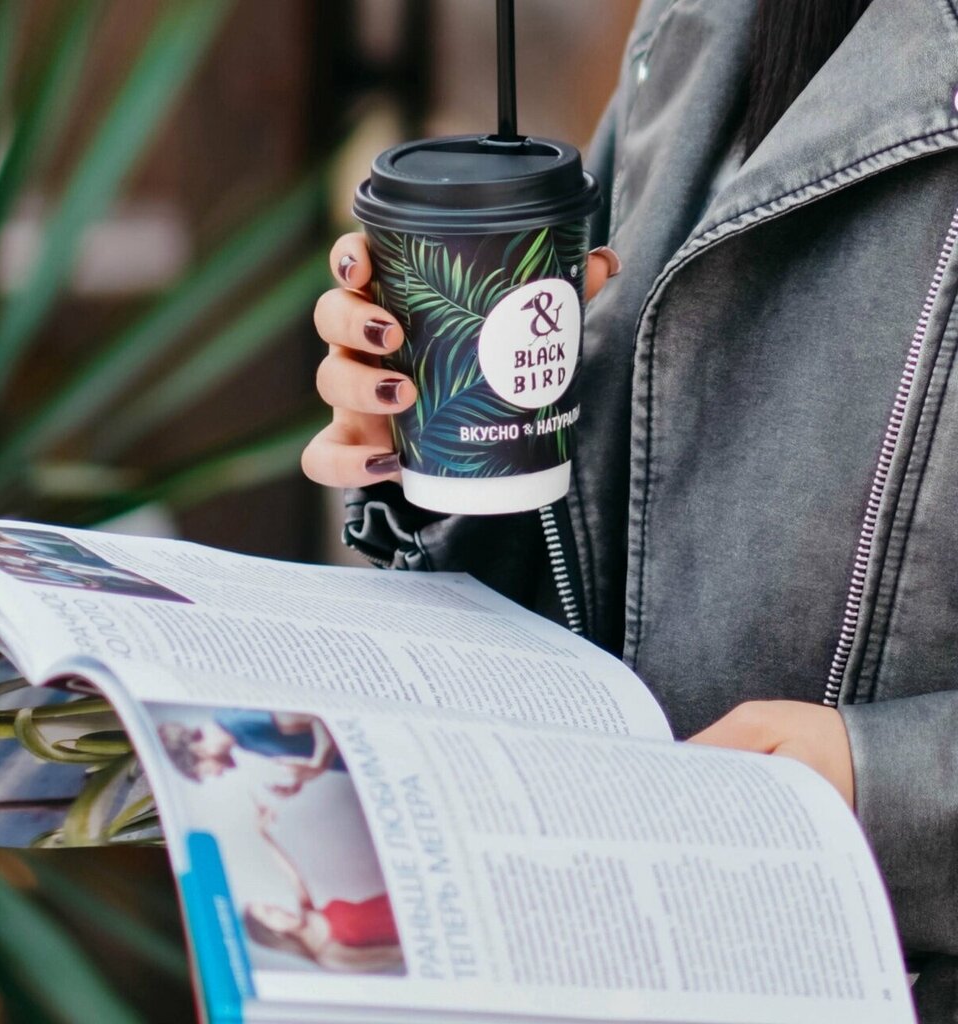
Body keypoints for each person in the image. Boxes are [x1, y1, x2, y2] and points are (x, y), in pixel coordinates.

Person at [302, 0, 958, 1018]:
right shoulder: (702, 31)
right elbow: (606, 548)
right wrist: (420, 446)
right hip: (626, 955)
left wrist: (886, 789)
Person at [244, 801, 402, 973]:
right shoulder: (328, 956)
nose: (278, 908)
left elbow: (293, 876)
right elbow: (391, 955)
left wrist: (262, 834)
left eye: (271, 906)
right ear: (273, 934)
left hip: (401, 897)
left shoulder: (308, 914)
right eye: (269, 912)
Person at [157, 711, 345, 795]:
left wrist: (318, 764)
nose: (217, 774)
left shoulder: (239, 722)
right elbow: (307, 736)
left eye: (206, 771)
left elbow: (319, 717)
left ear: (196, 749)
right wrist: (301, 778)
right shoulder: (240, 738)